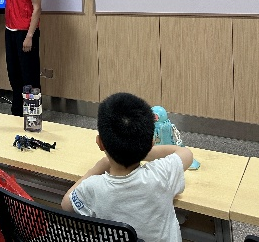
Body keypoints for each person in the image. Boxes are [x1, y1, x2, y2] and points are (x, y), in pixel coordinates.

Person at [61, 92, 194, 242]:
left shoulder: (92, 188)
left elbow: (66, 204)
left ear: (100, 143)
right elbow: (186, 153)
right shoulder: (161, 174)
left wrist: (96, 169)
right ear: (151, 143)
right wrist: (140, 151)